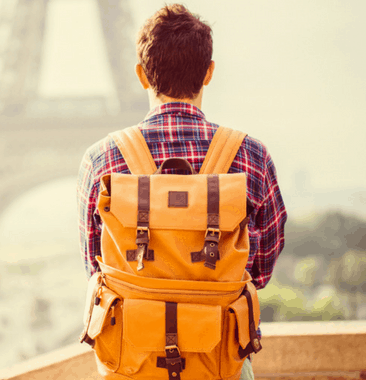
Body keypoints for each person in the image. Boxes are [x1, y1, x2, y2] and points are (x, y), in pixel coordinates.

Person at [76, 3, 287, 379]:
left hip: (132, 363)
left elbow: (96, 265)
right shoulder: (252, 155)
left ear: (142, 75)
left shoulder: (100, 160)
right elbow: (263, 264)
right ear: (208, 73)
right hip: (220, 360)